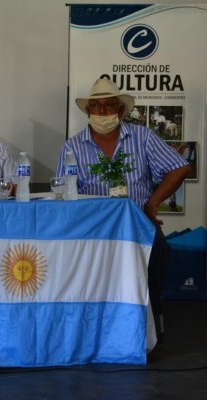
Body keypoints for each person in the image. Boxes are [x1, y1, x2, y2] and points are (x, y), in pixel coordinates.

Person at [56, 78, 190, 333]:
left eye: (110, 105)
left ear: (121, 110)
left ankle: (152, 317)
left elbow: (180, 167)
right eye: (97, 106)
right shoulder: (72, 146)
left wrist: (153, 203)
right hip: (91, 225)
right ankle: (88, 321)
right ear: (88, 111)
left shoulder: (143, 137)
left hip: (137, 221)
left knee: (159, 249)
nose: (103, 112)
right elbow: (63, 192)